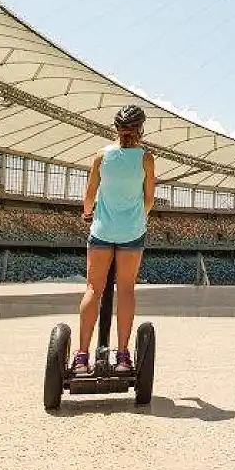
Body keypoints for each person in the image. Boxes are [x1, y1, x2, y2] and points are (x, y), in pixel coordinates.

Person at [73, 105, 156, 374]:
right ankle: (122, 356)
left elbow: (89, 196)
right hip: (132, 232)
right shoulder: (147, 158)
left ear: (115, 128)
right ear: (141, 129)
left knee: (93, 290)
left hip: (102, 231)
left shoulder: (101, 156)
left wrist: (88, 214)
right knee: (127, 290)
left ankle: (82, 356)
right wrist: (139, 218)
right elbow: (149, 199)